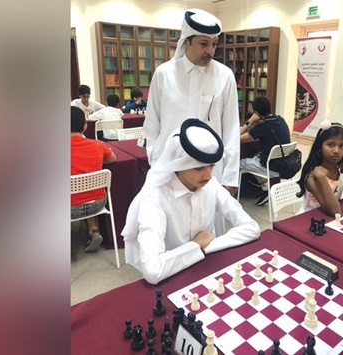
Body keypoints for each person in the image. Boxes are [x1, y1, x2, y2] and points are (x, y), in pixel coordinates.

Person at [122, 119, 260, 285]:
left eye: (211, 166)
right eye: (198, 168)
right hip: (173, 279)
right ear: (177, 164)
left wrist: (205, 247)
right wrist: (195, 246)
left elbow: (251, 228)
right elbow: (153, 271)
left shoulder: (212, 185)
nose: (208, 175)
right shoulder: (154, 198)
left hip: (208, 268)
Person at [144, 8, 240, 200]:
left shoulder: (224, 76)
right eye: (204, 44)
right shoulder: (164, 74)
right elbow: (152, 124)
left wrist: (230, 177)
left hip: (210, 171)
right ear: (186, 41)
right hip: (169, 168)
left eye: (214, 44)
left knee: (208, 225)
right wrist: (156, 163)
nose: (210, 51)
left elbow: (231, 128)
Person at [296, 119, 343, 216]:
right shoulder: (313, 176)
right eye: (331, 145)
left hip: (329, 220)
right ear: (320, 147)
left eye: (342, 146)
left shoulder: (341, 171)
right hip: (308, 220)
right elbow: (335, 212)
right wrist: (322, 178)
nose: (336, 150)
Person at [71, 106, 117, 252]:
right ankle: (94, 230)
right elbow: (113, 159)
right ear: (85, 126)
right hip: (97, 204)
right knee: (88, 192)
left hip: (70, 208)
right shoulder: (97, 145)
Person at [239, 96, 291, 206]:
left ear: (256, 113)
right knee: (255, 157)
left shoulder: (263, 126)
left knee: (240, 162)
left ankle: (262, 188)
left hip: (272, 167)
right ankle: (265, 188)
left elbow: (237, 137)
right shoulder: (281, 119)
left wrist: (250, 121)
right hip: (285, 163)